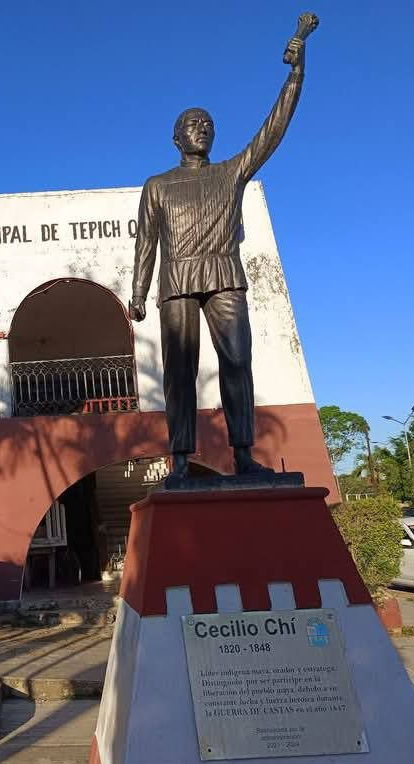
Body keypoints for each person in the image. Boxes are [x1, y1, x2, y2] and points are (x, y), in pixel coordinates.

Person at [129, 34, 307, 484]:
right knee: (179, 371)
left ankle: (243, 454)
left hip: (225, 273)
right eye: (193, 123)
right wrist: (137, 292)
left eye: (208, 123)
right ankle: (181, 460)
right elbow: (145, 242)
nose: (202, 127)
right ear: (176, 138)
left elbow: (272, 131)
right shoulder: (158, 184)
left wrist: (296, 73)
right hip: (176, 281)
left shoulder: (231, 173)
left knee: (237, 362)